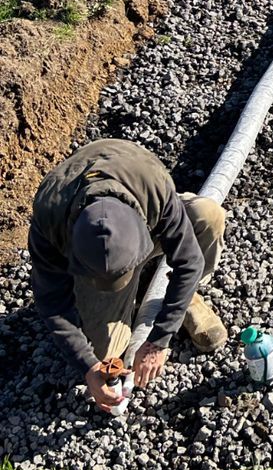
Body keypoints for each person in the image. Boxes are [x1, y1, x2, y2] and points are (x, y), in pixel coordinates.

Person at [29, 138, 228, 413]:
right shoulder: (49, 217)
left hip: (139, 200)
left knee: (208, 215)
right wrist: (88, 366)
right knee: (101, 352)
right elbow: (52, 303)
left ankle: (185, 295)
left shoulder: (151, 182)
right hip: (85, 243)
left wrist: (159, 340)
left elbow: (190, 260)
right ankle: (143, 292)